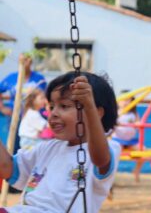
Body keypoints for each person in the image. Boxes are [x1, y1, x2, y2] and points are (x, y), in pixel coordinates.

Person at [0, 71, 121, 212]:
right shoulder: (47, 149)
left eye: (64, 106)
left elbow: (101, 159)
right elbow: (5, 167)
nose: (54, 114)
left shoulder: (105, 149)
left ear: (96, 112)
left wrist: (89, 106)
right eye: (51, 107)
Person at [112, 90, 143, 183]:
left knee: (142, 152)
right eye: (123, 100)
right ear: (118, 101)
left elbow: (138, 122)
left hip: (130, 141)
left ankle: (136, 171)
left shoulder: (134, 114)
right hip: (118, 140)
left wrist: (137, 124)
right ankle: (113, 173)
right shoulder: (116, 113)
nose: (125, 102)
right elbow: (112, 124)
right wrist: (117, 123)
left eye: (128, 100)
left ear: (132, 101)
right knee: (114, 154)